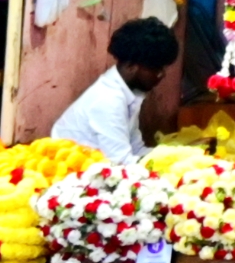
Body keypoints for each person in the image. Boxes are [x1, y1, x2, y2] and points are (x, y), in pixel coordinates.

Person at [49, 16, 181, 162]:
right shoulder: (108, 99)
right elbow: (121, 162)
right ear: (131, 66)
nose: (162, 74)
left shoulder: (130, 93)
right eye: (155, 68)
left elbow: (136, 149)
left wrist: (180, 157)